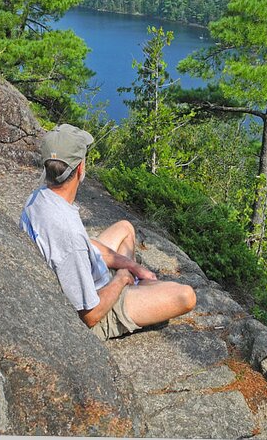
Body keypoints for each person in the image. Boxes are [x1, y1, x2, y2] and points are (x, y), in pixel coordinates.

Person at [19, 123, 196, 340]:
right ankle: (133, 291)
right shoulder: (67, 234)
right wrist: (121, 279)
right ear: (81, 168)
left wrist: (131, 265)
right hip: (98, 308)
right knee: (186, 296)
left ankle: (138, 285)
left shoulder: (39, 197)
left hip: (86, 275)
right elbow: (89, 316)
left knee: (125, 228)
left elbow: (84, 246)